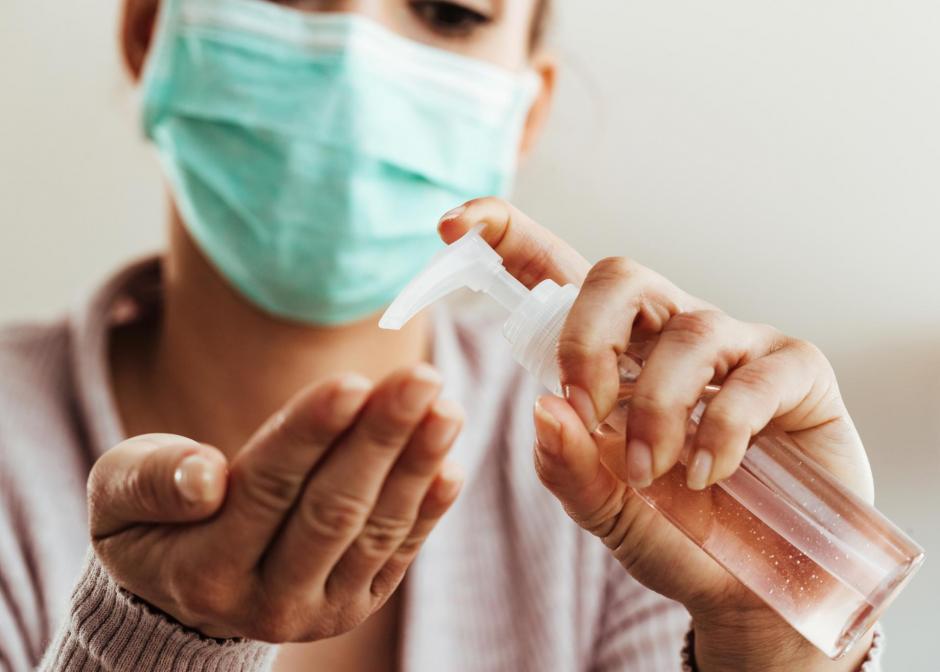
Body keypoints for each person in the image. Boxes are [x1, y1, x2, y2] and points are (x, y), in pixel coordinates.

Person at [0, 0, 884, 670]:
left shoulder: (629, 478)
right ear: (151, 32)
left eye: (448, 9)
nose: (357, 58)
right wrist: (148, 645)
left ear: (524, 114)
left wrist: (773, 636)